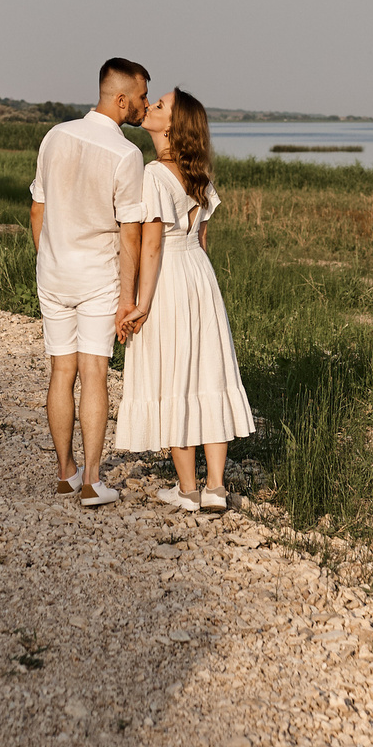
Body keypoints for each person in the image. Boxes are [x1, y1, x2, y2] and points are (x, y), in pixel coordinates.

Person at [113, 88, 256, 512]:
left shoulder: (155, 175)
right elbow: (202, 239)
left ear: (173, 125)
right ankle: (216, 488)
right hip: (199, 275)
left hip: (169, 277)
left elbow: (153, 245)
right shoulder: (199, 176)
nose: (150, 106)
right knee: (208, 374)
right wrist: (203, 290)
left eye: (160, 105)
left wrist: (141, 303)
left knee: (174, 376)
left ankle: (188, 489)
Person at [30, 58, 152, 507]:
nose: (144, 105)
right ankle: (92, 480)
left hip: (53, 272)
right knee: (94, 373)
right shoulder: (127, 155)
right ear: (121, 99)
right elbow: (130, 234)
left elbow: (38, 210)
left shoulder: (55, 136)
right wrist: (128, 298)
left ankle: (66, 473)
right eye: (141, 97)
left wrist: (50, 259)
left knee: (61, 371)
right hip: (98, 278)